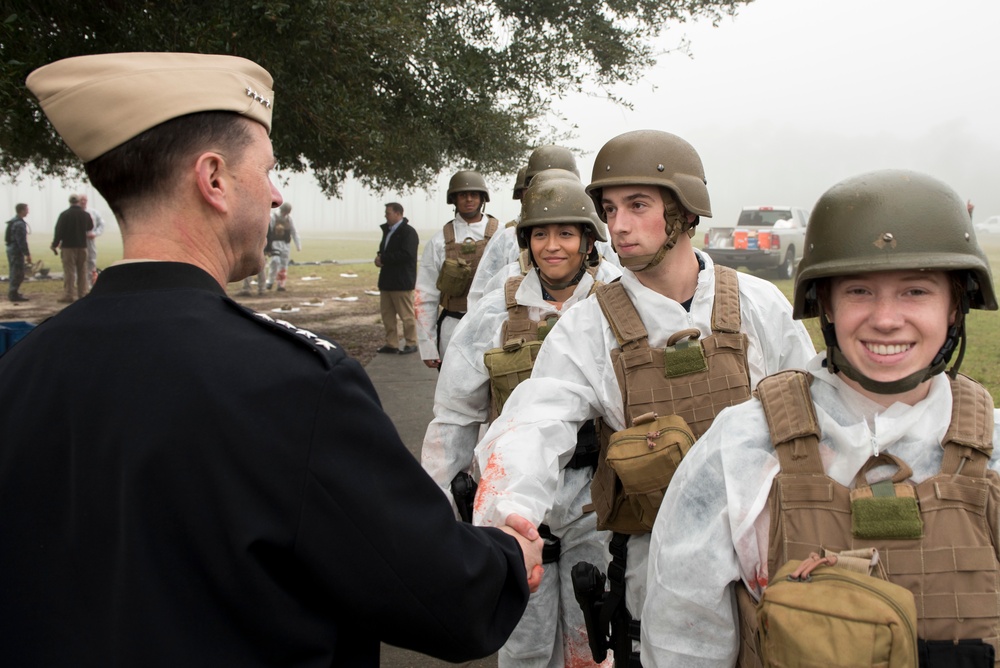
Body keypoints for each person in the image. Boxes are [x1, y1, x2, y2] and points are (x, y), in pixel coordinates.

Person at [1, 51, 543, 667]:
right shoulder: (291, 384)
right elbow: (445, 596)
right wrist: (505, 556)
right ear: (214, 180)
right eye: (267, 170)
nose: (277, 192)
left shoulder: (20, 373)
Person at [473, 129, 816, 667]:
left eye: (638, 205)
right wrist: (509, 515)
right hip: (653, 573)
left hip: (767, 563)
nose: (619, 226)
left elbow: (812, 415)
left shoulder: (757, 305)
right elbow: (534, 420)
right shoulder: (589, 325)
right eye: (610, 209)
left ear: (685, 211)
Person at [641, 169, 1000, 668]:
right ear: (825, 305)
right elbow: (683, 627)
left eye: (915, 291)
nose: (886, 318)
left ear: (955, 306)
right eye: (858, 292)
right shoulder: (747, 444)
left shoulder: (996, 449)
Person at [422, 174, 622, 668]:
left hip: (596, 500)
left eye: (566, 234)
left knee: (592, 640)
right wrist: (444, 504)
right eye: (540, 234)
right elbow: (454, 415)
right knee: (523, 645)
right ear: (526, 243)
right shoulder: (492, 313)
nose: (552, 246)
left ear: (589, 241)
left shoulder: (619, 308)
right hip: (515, 506)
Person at [414, 169, 500, 368]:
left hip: (491, 327)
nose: (469, 199)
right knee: (452, 393)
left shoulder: (502, 235)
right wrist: (428, 346)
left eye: (474, 194)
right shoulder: (438, 242)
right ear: (453, 199)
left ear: (482, 198)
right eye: (462, 195)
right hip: (453, 327)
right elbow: (425, 296)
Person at [375, 202, 419, 354]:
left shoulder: (408, 232)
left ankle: (411, 342)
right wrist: (379, 257)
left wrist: (385, 258)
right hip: (387, 281)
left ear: (398, 214)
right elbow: (385, 250)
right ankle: (391, 343)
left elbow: (407, 254)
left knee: (406, 315)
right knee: (387, 316)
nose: (386, 216)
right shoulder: (387, 231)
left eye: (388, 213)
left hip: (401, 282)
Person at [50, 192, 93, 302]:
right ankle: (82, 294)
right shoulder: (85, 214)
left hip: (68, 247)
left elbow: (58, 231)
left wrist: (54, 244)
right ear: (78, 201)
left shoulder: (64, 215)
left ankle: (69, 295)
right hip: (82, 246)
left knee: (69, 271)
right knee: (82, 270)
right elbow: (90, 226)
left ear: (70, 202)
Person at [265, 201, 300, 291]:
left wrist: (298, 245)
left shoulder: (289, 219)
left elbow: (294, 232)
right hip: (275, 243)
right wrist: (268, 244)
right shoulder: (273, 217)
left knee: (284, 265)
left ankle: (281, 284)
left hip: (286, 244)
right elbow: (269, 230)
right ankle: (270, 281)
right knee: (275, 261)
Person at [5, 203, 31, 302]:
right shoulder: (19, 224)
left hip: (11, 249)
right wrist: (27, 254)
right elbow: (21, 241)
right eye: (27, 209)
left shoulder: (14, 221)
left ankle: (14, 292)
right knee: (17, 272)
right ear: (22, 211)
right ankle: (13, 294)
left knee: (14, 271)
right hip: (16, 250)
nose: (28, 212)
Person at [80, 194, 106, 284]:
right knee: (79, 261)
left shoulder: (93, 212)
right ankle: (81, 283)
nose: (83, 201)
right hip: (78, 241)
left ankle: (91, 282)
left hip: (90, 240)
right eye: (81, 200)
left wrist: (95, 233)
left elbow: (102, 224)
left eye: (85, 200)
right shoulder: (75, 212)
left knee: (91, 260)